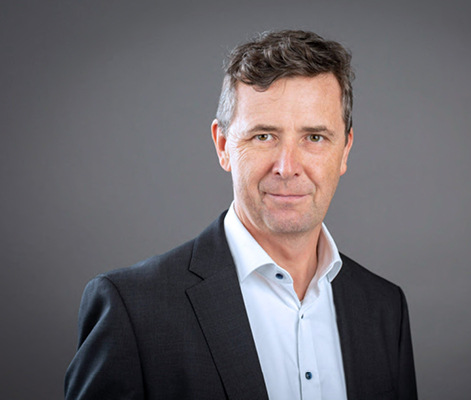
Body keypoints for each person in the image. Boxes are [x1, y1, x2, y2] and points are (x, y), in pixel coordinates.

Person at [64, 29, 417, 400]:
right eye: (264, 136)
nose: (287, 168)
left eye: (314, 137)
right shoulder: (133, 310)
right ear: (223, 145)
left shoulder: (384, 307)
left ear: (344, 150)